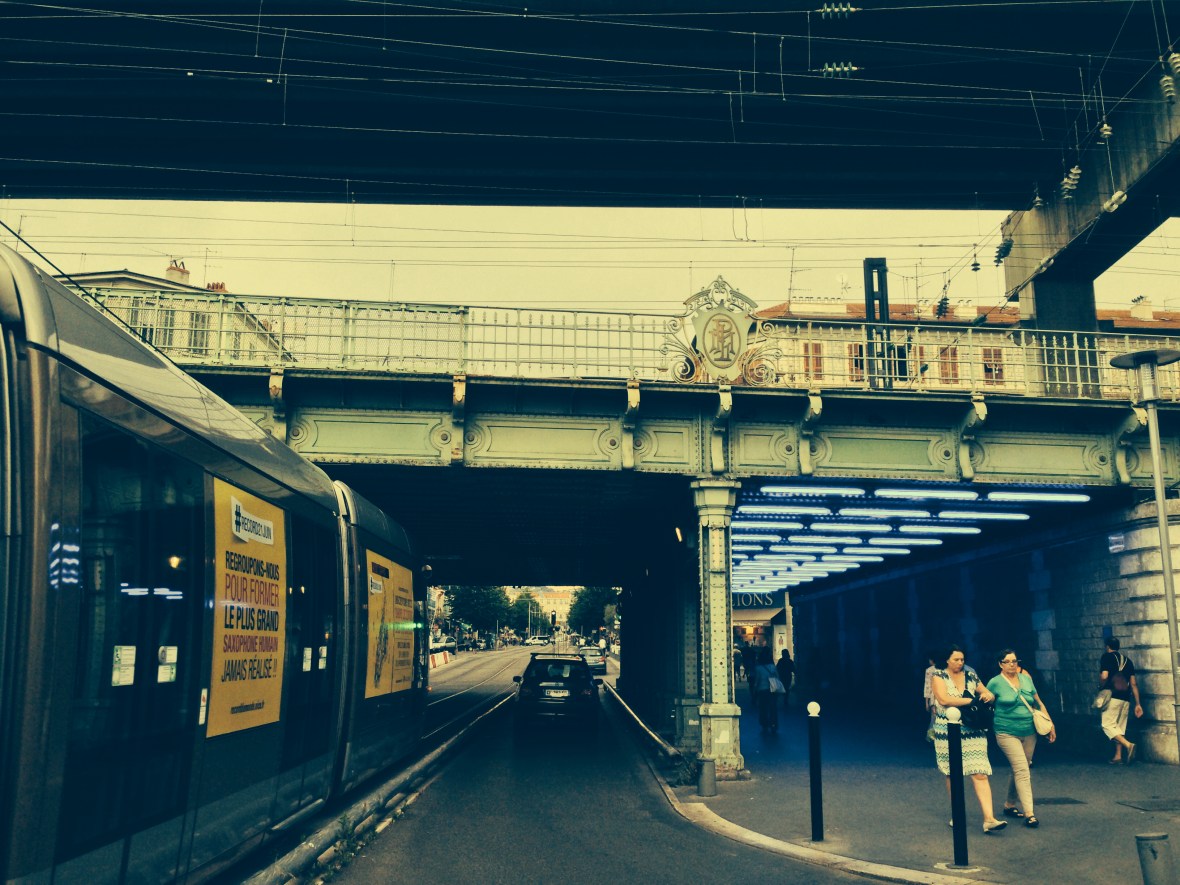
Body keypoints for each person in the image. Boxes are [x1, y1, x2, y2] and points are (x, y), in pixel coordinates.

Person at [930, 644, 1007, 834]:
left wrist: (987, 695)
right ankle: (957, 814)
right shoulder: (938, 676)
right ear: (947, 660)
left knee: (980, 772)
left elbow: (985, 691)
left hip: (973, 729)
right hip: (948, 730)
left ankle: (989, 819)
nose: (960, 662)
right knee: (953, 773)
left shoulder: (971, 675)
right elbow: (944, 699)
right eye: (956, 659)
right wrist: (972, 701)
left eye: (962, 659)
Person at [986, 649, 1055, 828]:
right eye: (1008, 661)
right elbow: (987, 703)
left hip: (1029, 731)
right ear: (1000, 664)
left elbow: (1038, 702)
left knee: (1020, 767)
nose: (1012, 664)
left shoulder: (1026, 679)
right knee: (1023, 770)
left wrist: (1050, 724)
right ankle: (1030, 814)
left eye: (1015, 661)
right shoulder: (995, 683)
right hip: (1006, 731)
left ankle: (1009, 804)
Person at [1099, 638, 1143, 763]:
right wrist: (1138, 704)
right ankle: (1118, 756)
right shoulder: (1128, 661)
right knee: (1118, 727)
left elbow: (1104, 676)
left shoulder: (1106, 657)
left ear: (1107, 646)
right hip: (1126, 698)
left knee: (1107, 725)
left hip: (1112, 696)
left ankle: (1128, 745)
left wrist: (1101, 685)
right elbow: (1134, 683)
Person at [750, 646, 779, 734]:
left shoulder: (758, 668)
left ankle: (764, 724)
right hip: (772, 690)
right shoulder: (772, 667)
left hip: (762, 690)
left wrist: (754, 691)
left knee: (763, 708)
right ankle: (773, 724)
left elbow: (756, 681)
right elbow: (777, 677)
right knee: (773, 708)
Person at [923, 655, 937, 742]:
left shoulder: (929, 670)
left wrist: (926, 703)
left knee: (934, 718)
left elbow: (927, 687)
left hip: (934, 697)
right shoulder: (944, 669)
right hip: (944, 696)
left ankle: (931, 737)